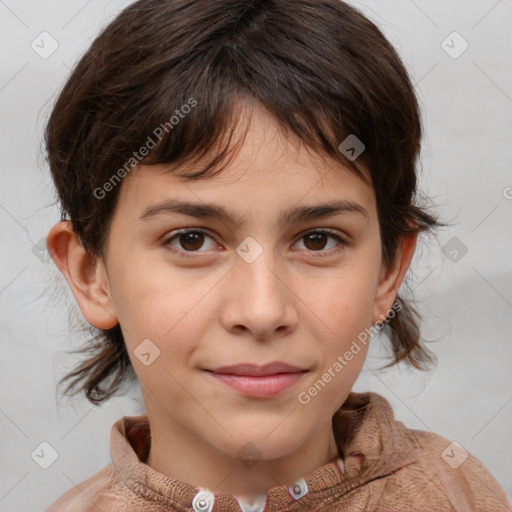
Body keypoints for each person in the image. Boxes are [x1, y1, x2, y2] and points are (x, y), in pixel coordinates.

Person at [43, 0, 511, 511]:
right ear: (93, 275)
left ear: (387, 272)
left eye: (318, 240)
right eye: (192, 240)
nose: (262, 312)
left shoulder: (460, 495)